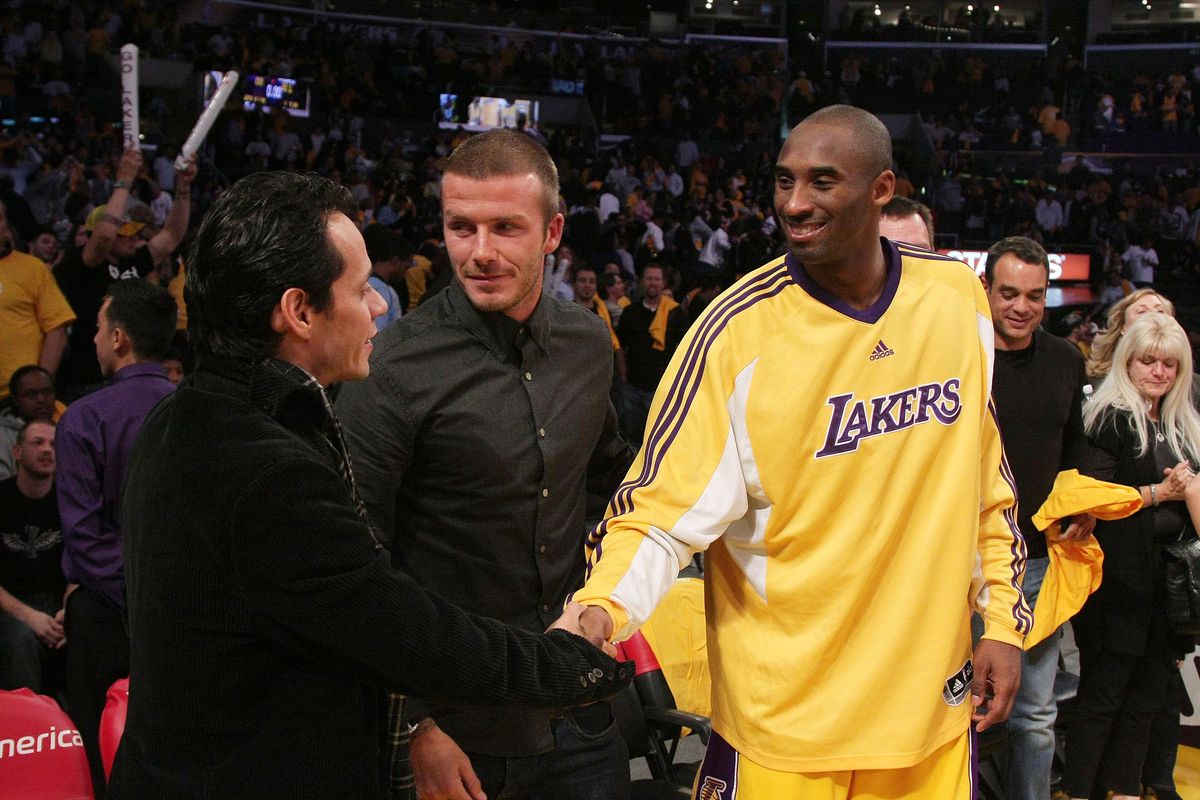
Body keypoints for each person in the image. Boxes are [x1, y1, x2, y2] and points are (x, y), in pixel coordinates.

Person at [108, 170, 633, 800]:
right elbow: (402, 629)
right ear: (300, 311)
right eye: (361, 290)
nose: (380, 304)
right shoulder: (263, 467)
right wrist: (572, 666)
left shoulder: (188, 416)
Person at [556, 105, 1028, 798]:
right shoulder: (735, 333)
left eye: (822, 182)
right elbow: (658, 510)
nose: (795, 203)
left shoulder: (957, 299)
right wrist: (597, 609)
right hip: (787, 729)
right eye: (783, 182)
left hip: (931, 713)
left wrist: (1007, 620)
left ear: (881, 189)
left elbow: (984, 479)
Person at [335, 129, 634, 800]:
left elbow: (612, 480)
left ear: (553, 231)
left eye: (506, 228)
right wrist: (414, 725)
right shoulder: (392, 364)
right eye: (461, 228)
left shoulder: (587, 343)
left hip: (578, 710)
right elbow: (353, 559)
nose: (481, 253)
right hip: (457, 731)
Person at [1065, 313, 1200, 800]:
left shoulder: (1183, 420)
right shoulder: (1109, 415)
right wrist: (1161, 492)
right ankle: (1079, 791)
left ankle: (1123, 791)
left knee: (1145, 697)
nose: (1159, 372)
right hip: (1117, 578)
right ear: (1128, 360)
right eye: (1149, 360)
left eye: (1169, 363)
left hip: (1168, 582)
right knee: (1104, 694)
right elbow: (1095, 498)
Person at [56, 278, 178, 793]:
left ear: (120, 338)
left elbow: (84, 537)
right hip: (184, 609)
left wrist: (132, 595)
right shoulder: (199, 409)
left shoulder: (84, 418)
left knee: (101, 761)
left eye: (99, 329)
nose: (93, 340)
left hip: (108, 616)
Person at [982, 236, 1091, 800]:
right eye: (1008, 294)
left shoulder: (1067, 360)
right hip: (965, 566)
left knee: (1035, 716)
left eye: (1033, 295)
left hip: (1040, 565)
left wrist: (1083, 507)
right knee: (956, 710)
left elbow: (1075, 453)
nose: (1021, 307)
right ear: (986, 291)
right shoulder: (958, 358)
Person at [54, 146, 195, 397]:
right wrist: (125, 179)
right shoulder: (82, 264)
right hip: (87, 379)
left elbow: (172, 236)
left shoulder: (132, 261)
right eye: (126, 233)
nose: (134, 239)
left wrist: (183, 189)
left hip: (127, 378)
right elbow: (104, 236)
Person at [0, 420, 65, 692]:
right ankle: (31, 726)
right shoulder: (1, 498)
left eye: (53, 444)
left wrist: (68, 611)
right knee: (20, 639)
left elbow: (83, 563)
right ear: (17, 452)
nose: (47, 450)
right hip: (10, 602)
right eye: (37, 442)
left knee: (91, 629)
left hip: (59, 601)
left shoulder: (70, 499)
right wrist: (29, 616)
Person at [0, 201, 74, 403]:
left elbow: (56, 329)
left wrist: (40, 388)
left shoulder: (32, 268)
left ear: (7, 225)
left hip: (17, 396)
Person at [614, 263, 686, 447]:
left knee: (662, 441)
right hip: (633, 388)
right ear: (641, 282)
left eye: (656, 278)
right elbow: (619, 345)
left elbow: (685, 348)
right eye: (648, 278)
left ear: (664, 284)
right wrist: (623, 376)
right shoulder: (630, 312)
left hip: (663, 389)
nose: (652, 282)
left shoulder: (676, 313)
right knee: (633, 440)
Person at [1086, 289, 1174, 387]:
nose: (1152, 316)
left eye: (1160, 311)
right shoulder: (1096, 383)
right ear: (1123, 326)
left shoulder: (1191, 384)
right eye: (1141, 311)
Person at [0, 365, 62, 480]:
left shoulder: (68, 430)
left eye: (47, 392)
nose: (41, 399)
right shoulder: (2, 437)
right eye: (31, 394)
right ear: (15, 399)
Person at [362, 224, 405, 332]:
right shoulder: (382, 289)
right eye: (406, 267)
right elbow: (376, 334)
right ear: (395, 261)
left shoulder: (365, 282)